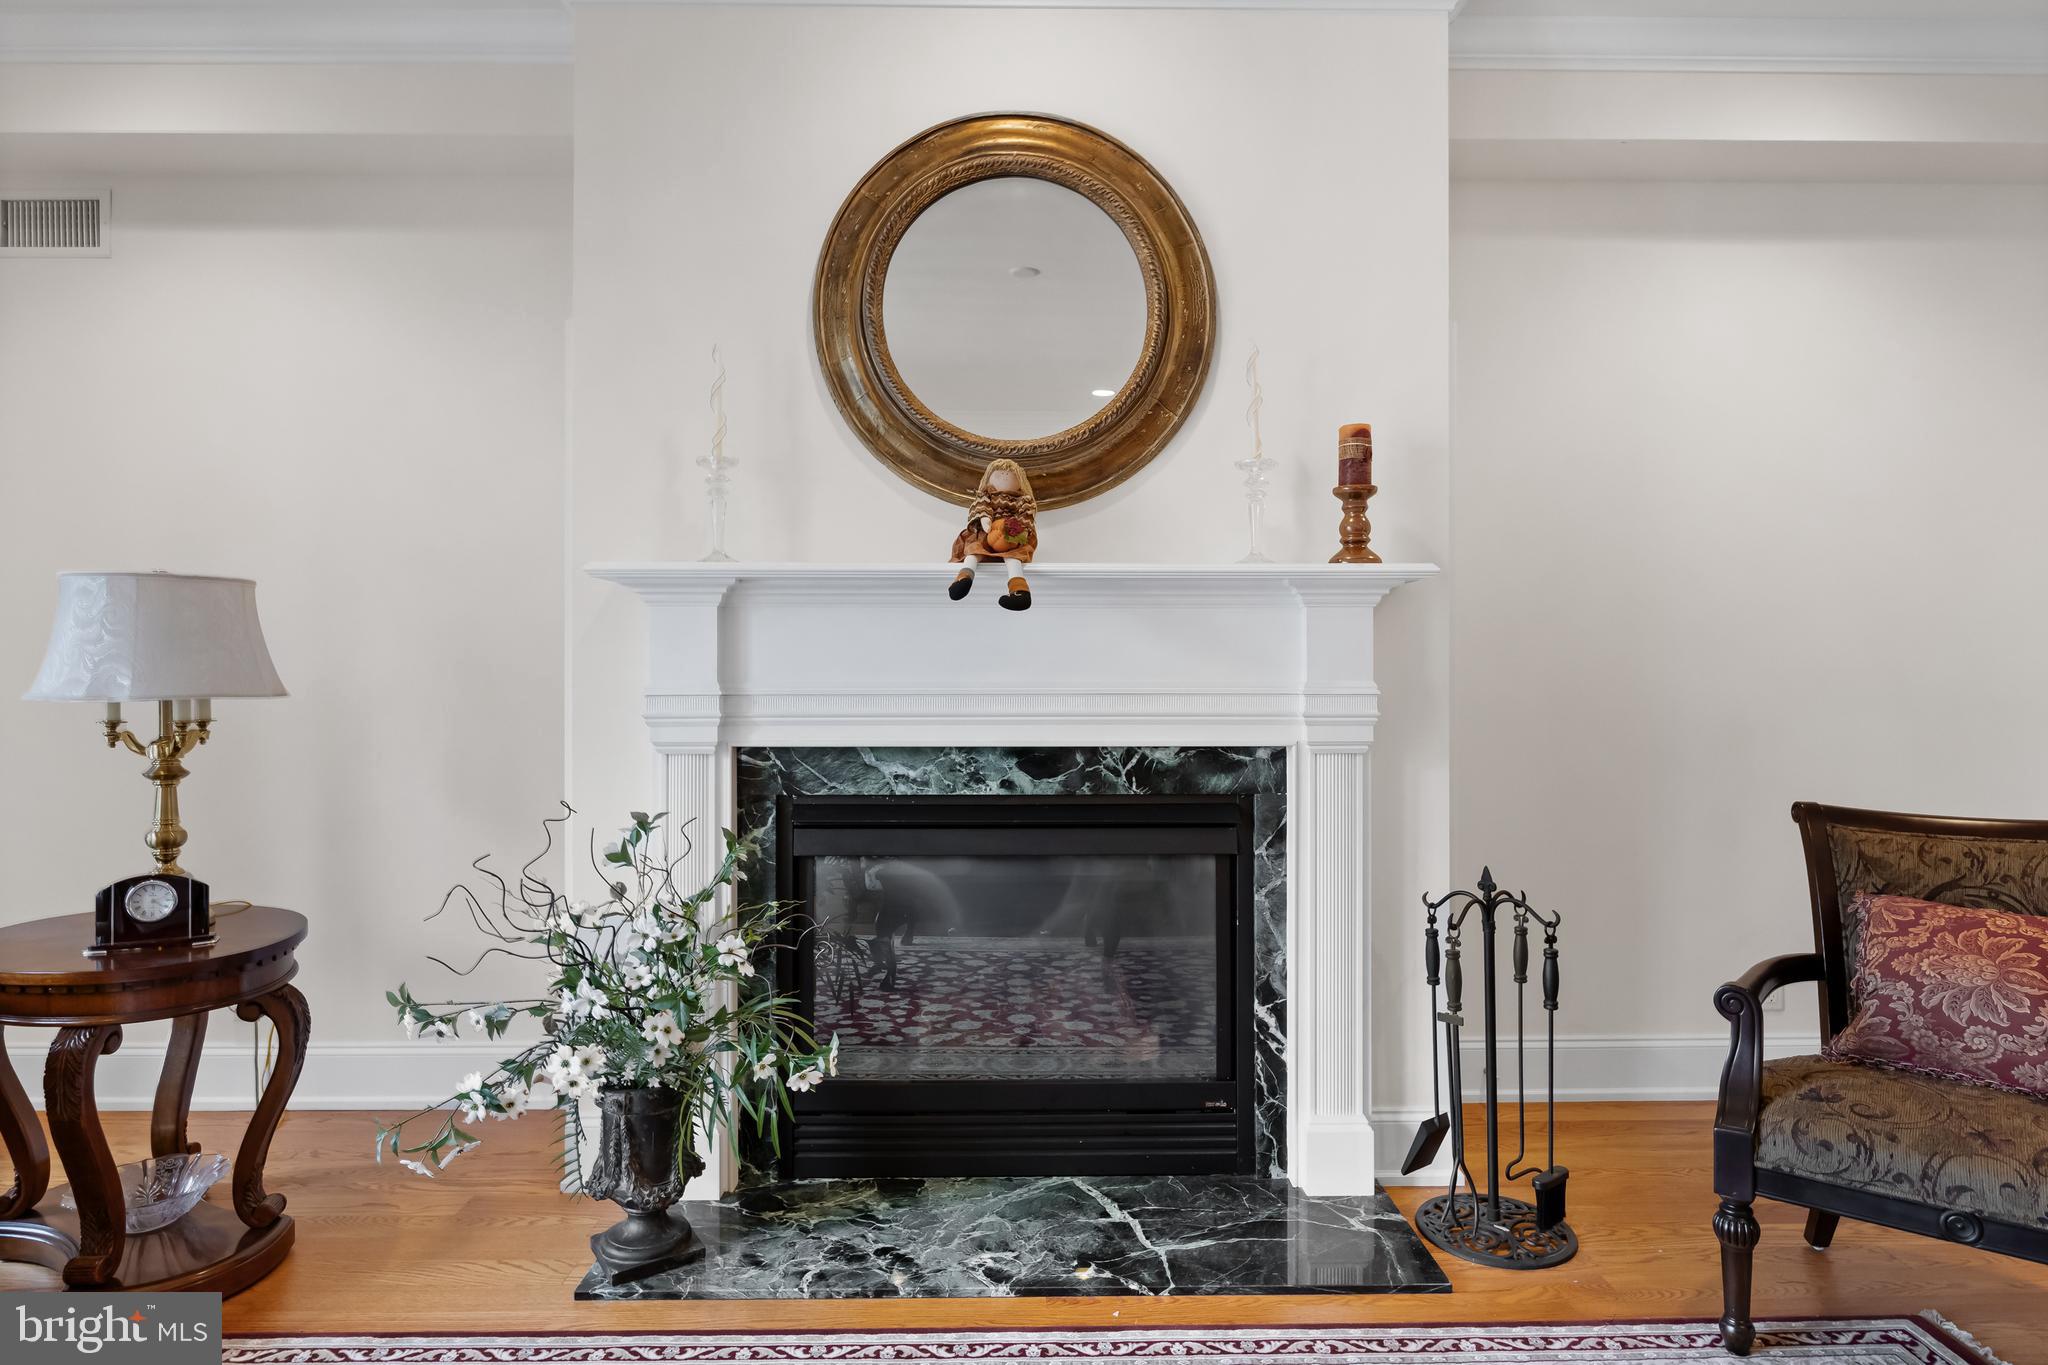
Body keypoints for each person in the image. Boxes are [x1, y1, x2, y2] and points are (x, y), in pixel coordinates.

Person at [947, 457, 1037, 611]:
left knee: (1014, 556)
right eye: (1000, 474)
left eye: (1009, 474)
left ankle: (1020, 591)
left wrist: (1015, 532)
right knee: (974, 549)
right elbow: (981, 506)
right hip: (987, 532)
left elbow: (1026, 516)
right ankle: (963, 578)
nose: (1004, 476)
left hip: (1012, 533)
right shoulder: (985, 495)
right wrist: (985, 518)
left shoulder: (1023, 500)